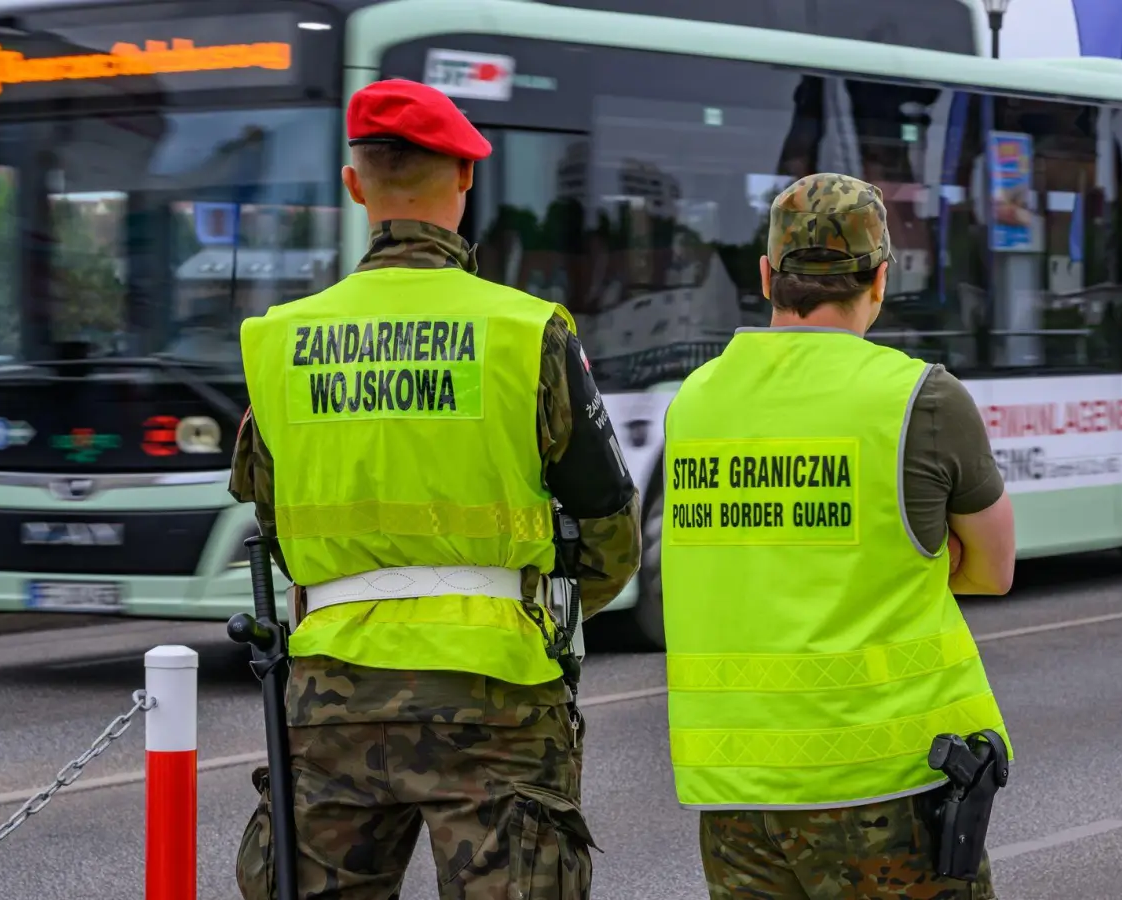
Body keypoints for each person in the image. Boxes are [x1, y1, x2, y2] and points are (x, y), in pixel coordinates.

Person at [230, 77, 642, 900]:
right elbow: (610, 531)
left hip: (328, 693)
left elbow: (274, 521)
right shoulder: (527, 331)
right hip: (496, 690)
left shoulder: (278, 342)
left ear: (354, 186)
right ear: (466, 176)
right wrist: (535, 605)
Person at [659, 172, 1016, 899]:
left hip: (733, 797)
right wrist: (906, 561)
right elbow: (994, 568)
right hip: (880, 794)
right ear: (881, 278)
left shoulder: (693, 402)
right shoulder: (921, 396)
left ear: (766, 275)